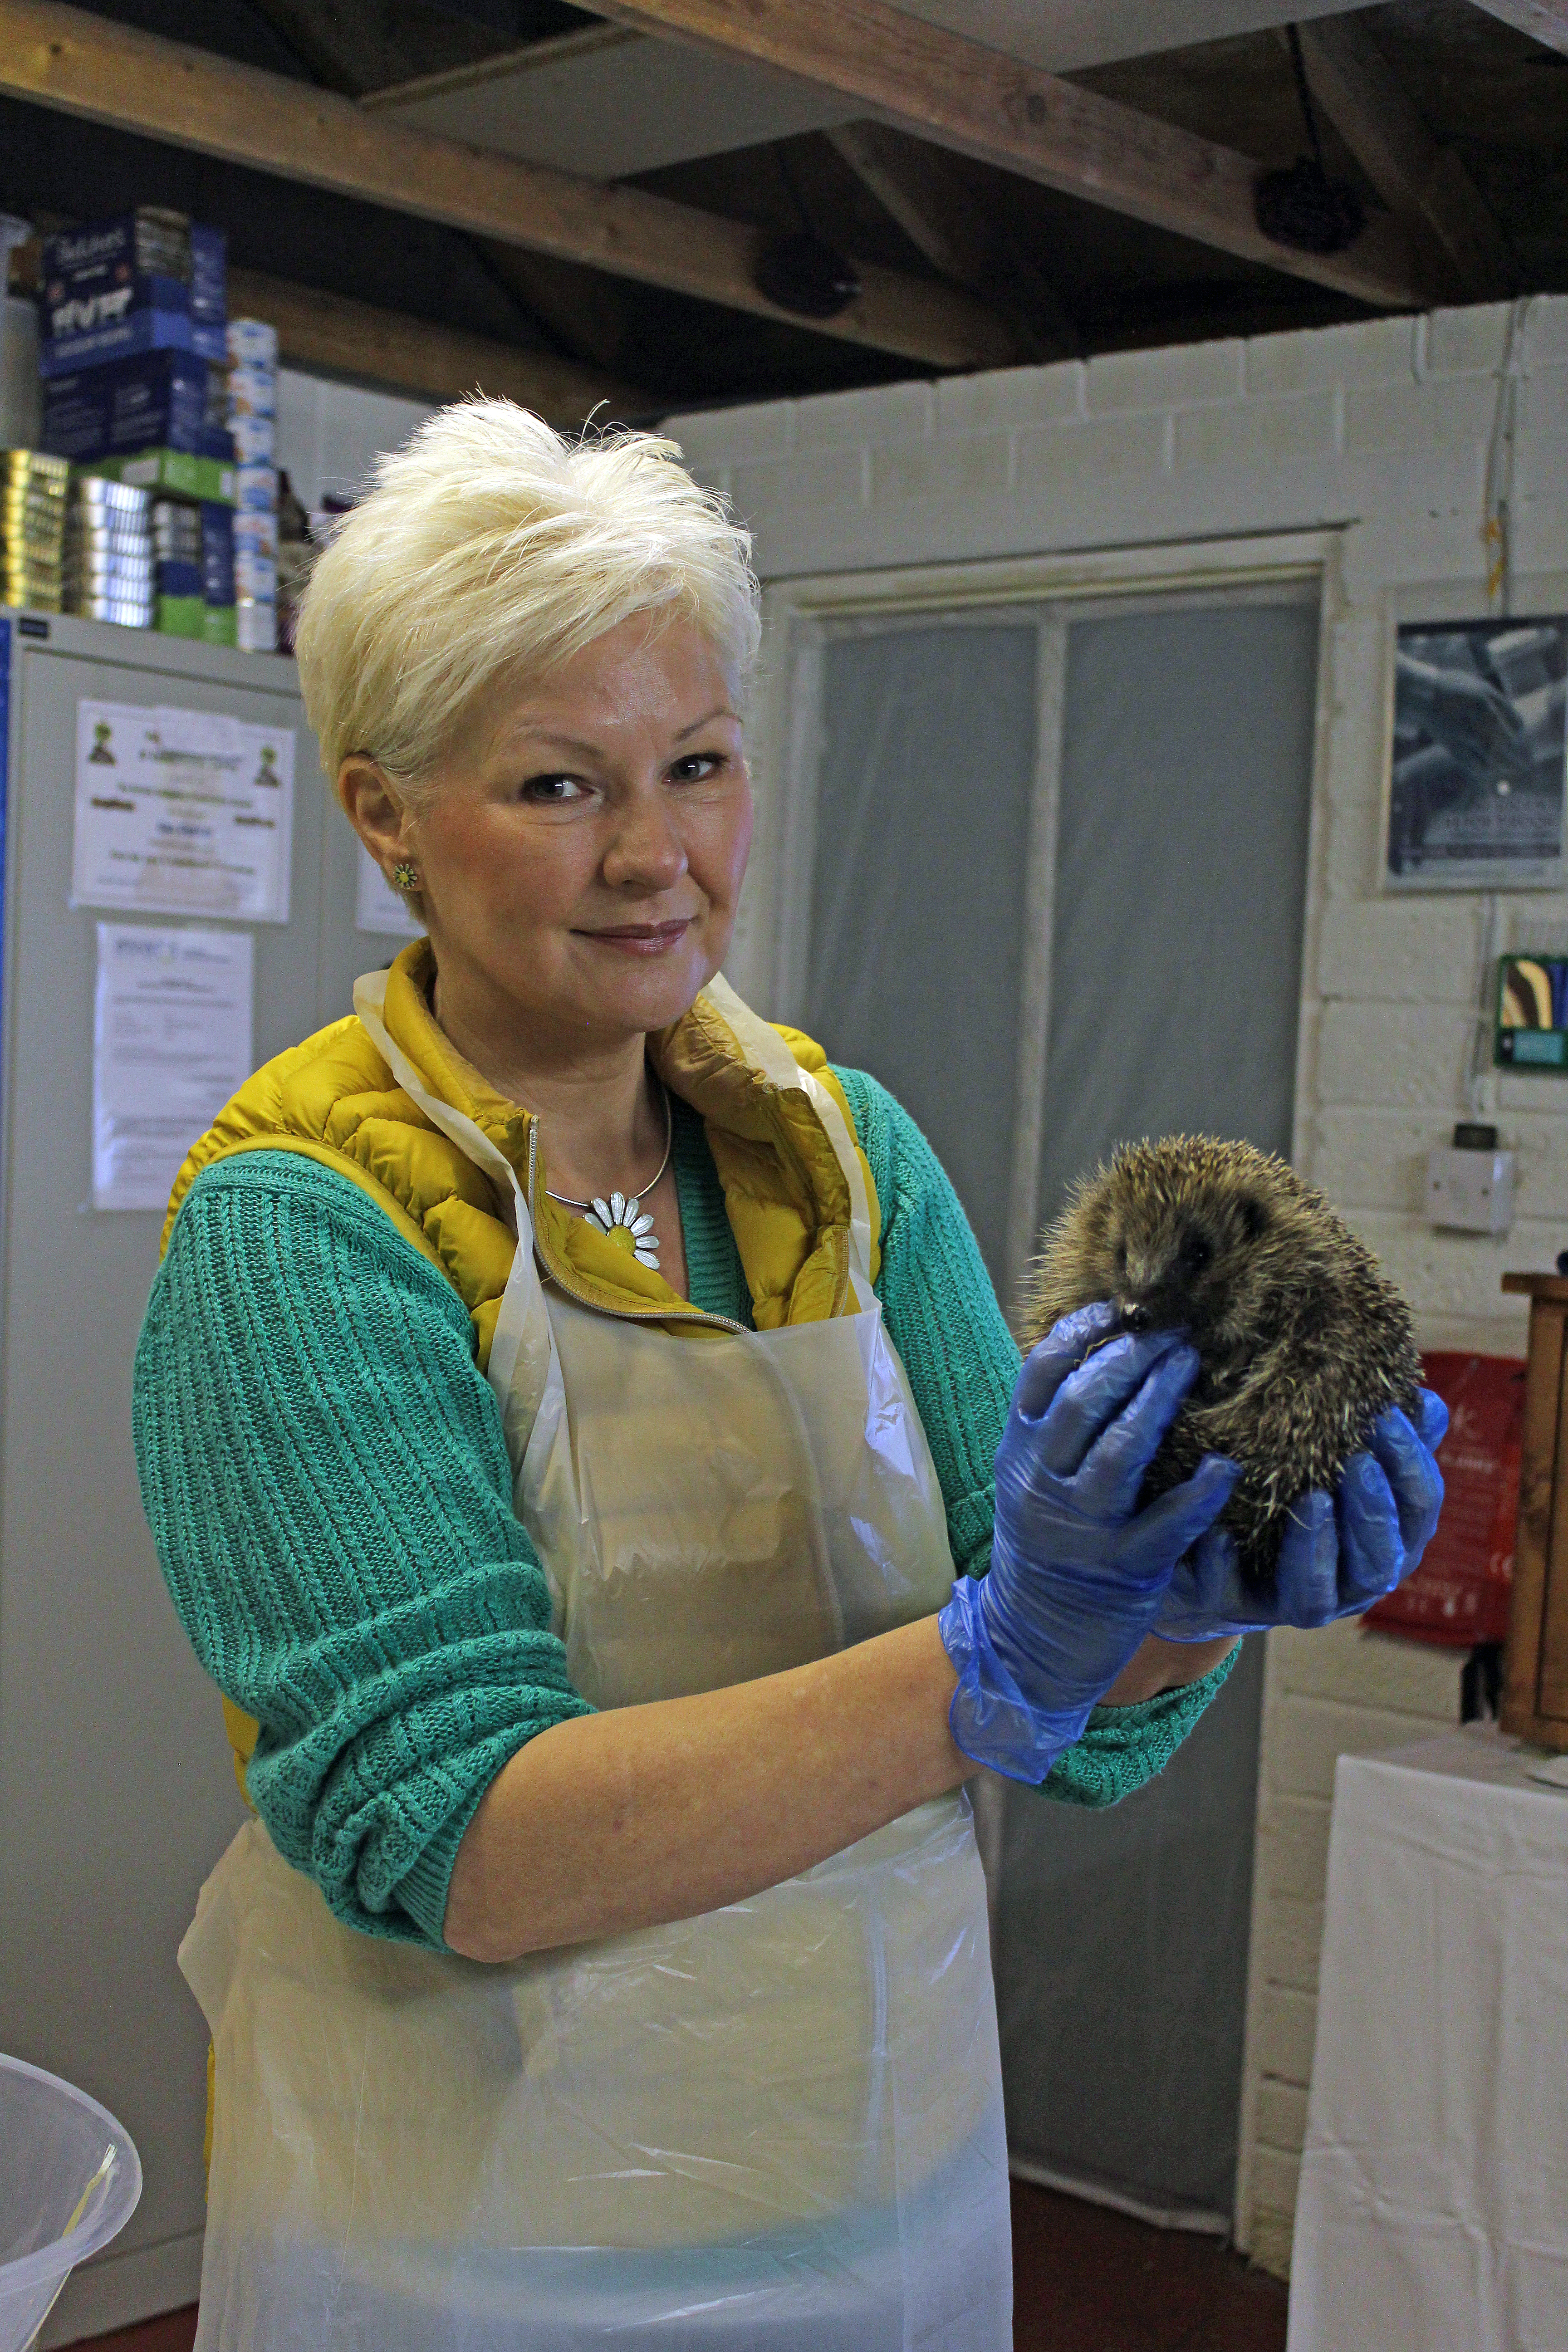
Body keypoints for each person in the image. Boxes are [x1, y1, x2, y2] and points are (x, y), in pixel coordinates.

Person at [133, 403, 1445, 2352]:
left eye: (701, 764)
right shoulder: (305, 1226)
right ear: (386, 813)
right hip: (475, 2239)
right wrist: (1008, 1648)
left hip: (874, 2189)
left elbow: (1069, 1713)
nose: (657, 854)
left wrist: (1176, 1609)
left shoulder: (844, 1153)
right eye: (561, 784)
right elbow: (472, 1843)